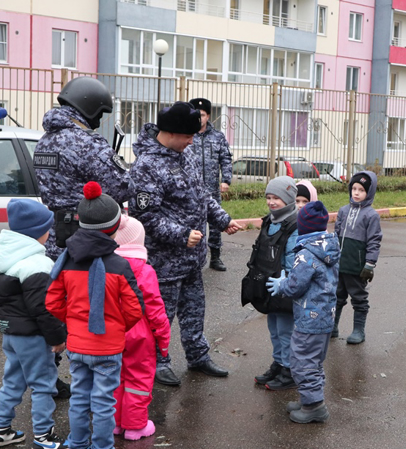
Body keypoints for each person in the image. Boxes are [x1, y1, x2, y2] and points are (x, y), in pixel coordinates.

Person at [128, 101, 243, 387]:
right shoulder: (146, 165)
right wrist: (181, 234)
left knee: (194, 310)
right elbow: (145, 215)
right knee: (160, 316)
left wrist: (222, 219)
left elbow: (202, 194)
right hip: (164, 261)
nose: (192, 141)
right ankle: (158, 362)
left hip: (192, 257)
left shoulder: (185, 154)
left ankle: (197, 355)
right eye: (188, 136)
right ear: (170, 133)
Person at [46, 182, 144, 449]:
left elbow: (52, 302)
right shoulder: (120, 265)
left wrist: (73, 321)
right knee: (103, 402)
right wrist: (115, 327)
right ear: (114, 228)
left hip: (77, 345)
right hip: (108, 347)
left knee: (79, 398)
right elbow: (134, 310)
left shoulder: (66, 262)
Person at [0, 199, 69, 449]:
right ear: (38, 232)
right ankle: (44, 437)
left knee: (12, 382)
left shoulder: (4, 254)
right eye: (47, 228)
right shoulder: (36, 264)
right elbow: (44, 309)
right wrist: (57, 338)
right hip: (33, 337)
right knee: (44, 384)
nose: (50, 233)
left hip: (11, 332)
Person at [33, 76, 134, 260]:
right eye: (100, 114)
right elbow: (122, 188)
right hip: (87, 239)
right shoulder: (87, 142)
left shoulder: (44, 141)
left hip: (54, 237)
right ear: (90, 108)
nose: (98, 121)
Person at [267, 201, 340, 423]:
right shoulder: (329, 247)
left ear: (303, 227)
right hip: (325, 318)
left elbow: (295, 286)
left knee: (302, 360)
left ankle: (314, 406)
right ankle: (309, 399)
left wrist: (282, 284)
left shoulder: (305, 254)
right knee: (314, 360)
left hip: (308, 319)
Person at [112, 215, 171, 440]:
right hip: (140, 334)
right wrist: (163, 341)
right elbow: (155, 309)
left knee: (115, 377)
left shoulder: (107, 265)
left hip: (112, 332)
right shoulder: (145, 271)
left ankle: (116, 423)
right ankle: (135, 426)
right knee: (139, 378)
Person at [242, 176, 299, 391]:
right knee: (274, 328)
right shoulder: (270, 220)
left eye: (277, 198)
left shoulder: (294, 224)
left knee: (286, 330)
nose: (271, 202)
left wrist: (288, 279)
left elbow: (295, 257)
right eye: (268, 197)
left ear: (289, 199)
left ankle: (289, 371)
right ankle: (278, 364)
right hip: (269, 284)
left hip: (284, 286)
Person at [332, 171, 383, 345]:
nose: (356, 193)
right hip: (339, 263)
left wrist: (369, 264)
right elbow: (336, 234)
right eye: (353, 188)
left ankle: (358, 330)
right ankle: (333, 326)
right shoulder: (343, 211)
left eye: (361, 190)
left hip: (357, 266)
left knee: (359, 298)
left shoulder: (371, 215)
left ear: (369, 193)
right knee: (336, 296)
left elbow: (374, 241)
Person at [189, 97, 233, 272]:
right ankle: (193, 257)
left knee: (215, 223)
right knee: (192, 222)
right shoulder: (186, 135)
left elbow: (226, 159)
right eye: (196, 115)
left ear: (208, 116)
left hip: (212, 187)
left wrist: (226, 180)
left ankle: (215, 256)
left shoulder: (218, 137)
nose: (199, 118)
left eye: (202, 115)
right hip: (191, 190)